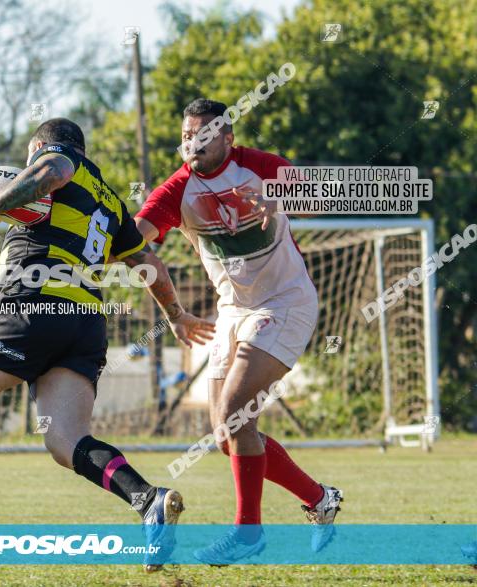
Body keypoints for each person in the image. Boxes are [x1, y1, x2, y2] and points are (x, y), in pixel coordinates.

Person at [0, 117, 215, 571]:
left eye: (33, 156)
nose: (32, 165)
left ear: (42, 147)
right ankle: (148, 500)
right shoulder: (112, 203)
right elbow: (149, 262)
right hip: (84, 323)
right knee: (66, 441)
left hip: (33, 304)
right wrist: (175, 315)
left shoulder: (59, 161)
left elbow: (53, 171)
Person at [134, 99, 343, 565]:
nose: (194, 144)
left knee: (234, 413)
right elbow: (137, 240)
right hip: (232, 310)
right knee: (228, 435)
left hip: (285, 301)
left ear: (228, 138)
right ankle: (319, 498)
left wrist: (277, 200)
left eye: (205, 136)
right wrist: (169, 306)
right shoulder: (178, 189)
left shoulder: (261, 166)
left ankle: (248, 534)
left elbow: (321, 201)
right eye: (188, 136)